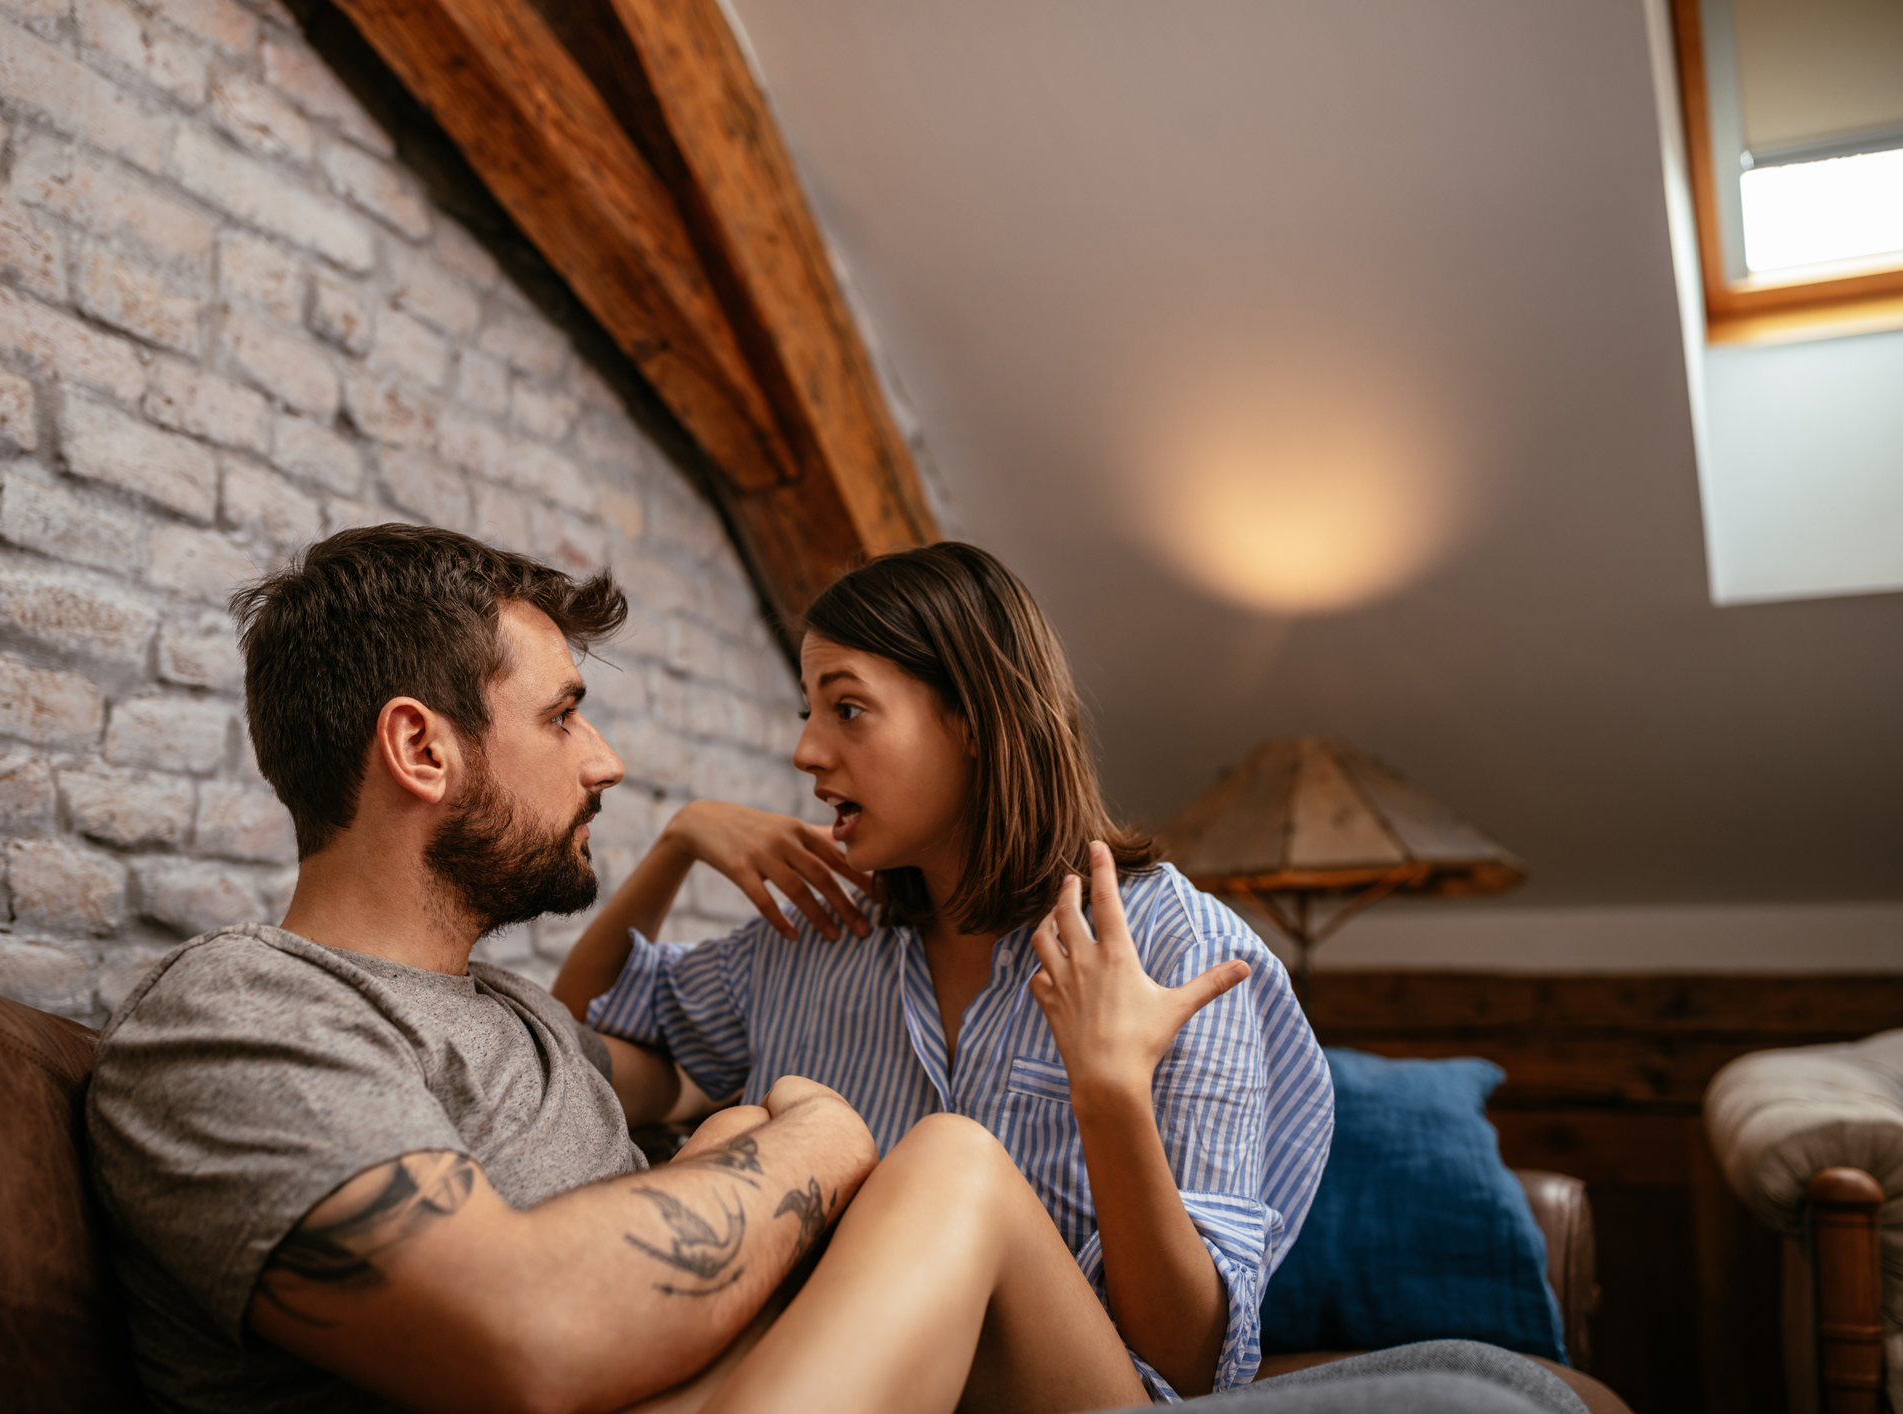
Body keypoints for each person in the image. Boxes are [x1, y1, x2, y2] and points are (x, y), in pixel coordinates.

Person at [82, 525, 1173, 1414]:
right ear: (421, 751)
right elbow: (523, 1337)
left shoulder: (522, 1021)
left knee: (833, 1145)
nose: (605, 759)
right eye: (562, 716)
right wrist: (823, 1132)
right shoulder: (240, 1010)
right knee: (950, 1165)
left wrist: (745, 1136)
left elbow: (637, 1059)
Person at [554, 542, 1337, 1400]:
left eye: (847, 709)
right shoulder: (819, 934)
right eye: (807, 711)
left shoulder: (1174, 947)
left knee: (951, 1160)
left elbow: (1190, 1360)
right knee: (739, 1135)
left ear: (972, 720)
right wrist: (678, 843)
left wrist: (1110, 1091)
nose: (806, 752)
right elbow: (578, 1057)